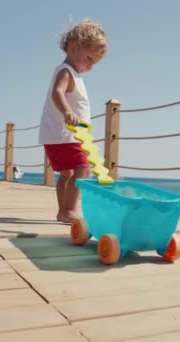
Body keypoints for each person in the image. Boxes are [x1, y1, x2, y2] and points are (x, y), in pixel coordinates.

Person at [38, 18, 107, 223]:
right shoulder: (65, 71)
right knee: (84, 167)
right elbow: (57, 94)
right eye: (89, 59)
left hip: (57, 135)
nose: (90, 66)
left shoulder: (73, 74)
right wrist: (68, 112)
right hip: (67, 134)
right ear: (74, 47)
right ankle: (72, 211)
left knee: (67, 174)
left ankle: (63, 211)